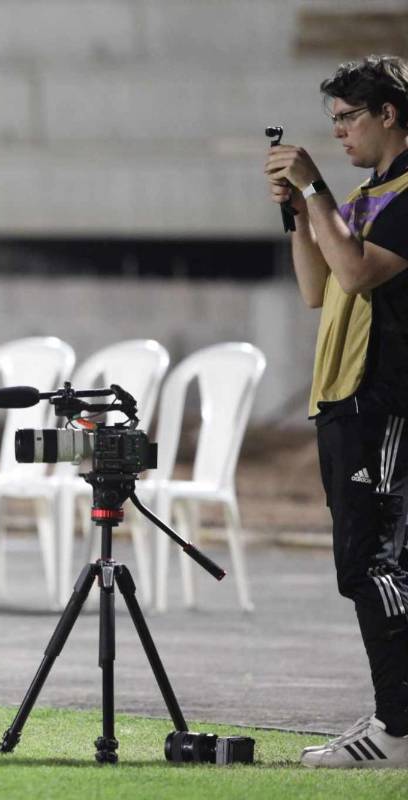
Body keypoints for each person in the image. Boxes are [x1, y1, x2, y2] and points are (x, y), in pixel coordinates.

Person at [265, 55, 408, 769]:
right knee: (371, 565)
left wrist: (315, 184)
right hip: (344, 401)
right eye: (334, 122)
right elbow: (319, 287)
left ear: (389, 115)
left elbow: (356, 271)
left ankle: (398, 728)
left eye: (350, 118)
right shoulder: (363, 193)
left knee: (372, 564)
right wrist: (300, 212)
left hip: (385, 403)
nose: (341, 132)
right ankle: (394, 714)